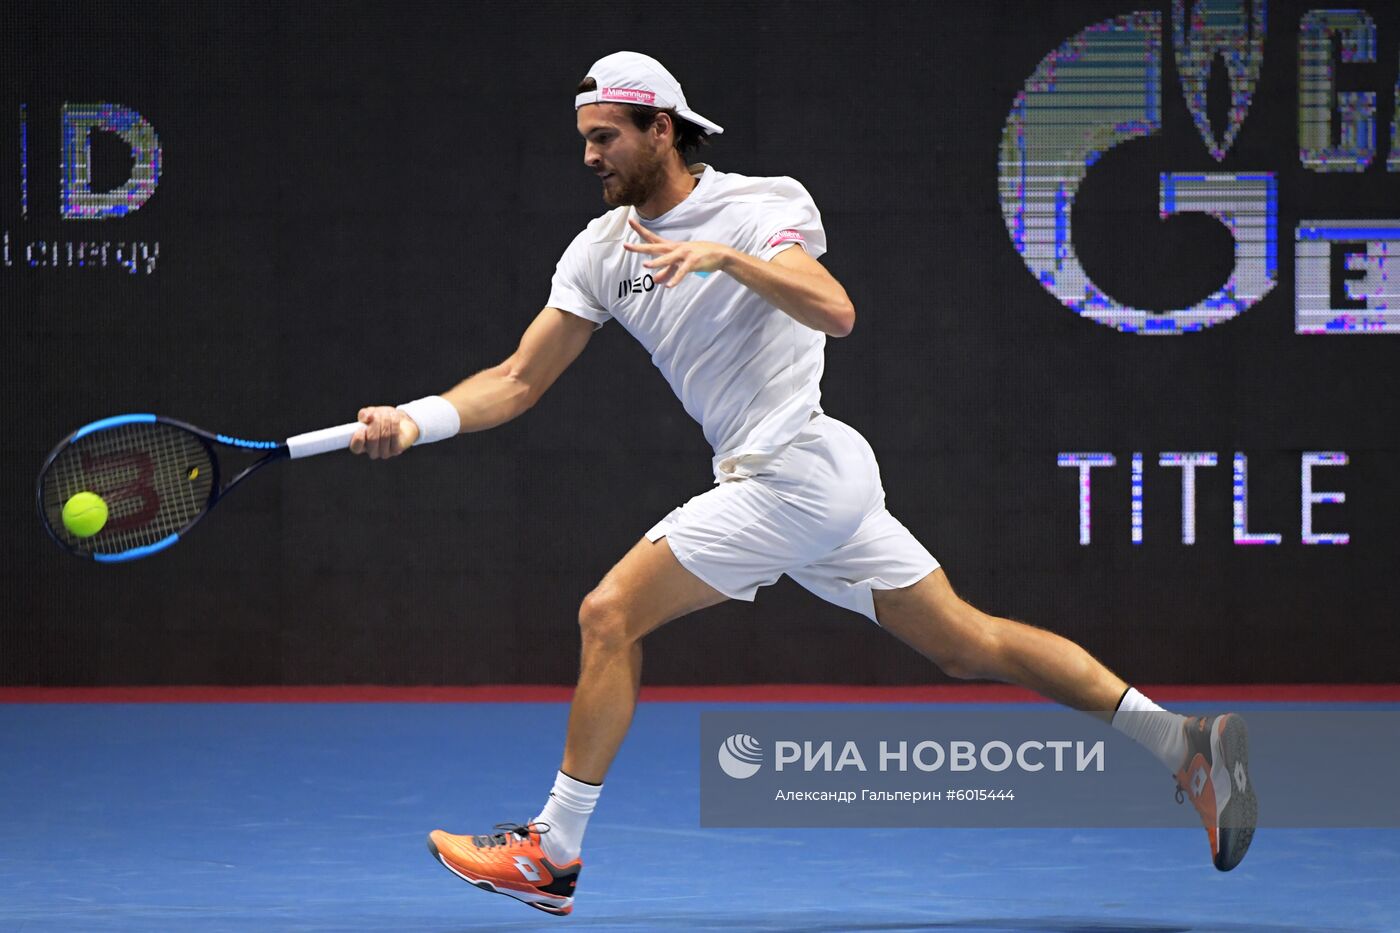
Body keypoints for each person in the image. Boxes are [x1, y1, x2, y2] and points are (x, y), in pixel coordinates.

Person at [349, 51, 1257, 916]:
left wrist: (725, 259)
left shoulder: (760, 206)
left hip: (793, 472)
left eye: (606, 137)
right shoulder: (599, 252)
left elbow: (836, 309)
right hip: (809, 482)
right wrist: (415, 419)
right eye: (584, 139)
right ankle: (1182, 741)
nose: (589, 155)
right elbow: (517, 379)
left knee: (608, 613)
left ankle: (551, 852)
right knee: (965, 641)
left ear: (661, 129)